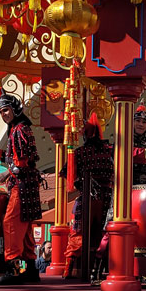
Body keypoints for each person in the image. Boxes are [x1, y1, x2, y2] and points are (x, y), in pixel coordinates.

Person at [0, 92, 41, 285]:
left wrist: (5, 174)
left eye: (6, 110)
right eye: (1, 111)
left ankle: (13, 271)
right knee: (24, 230)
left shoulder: (20, 130)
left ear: (15, 108)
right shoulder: (17, 129)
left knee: (11, 224)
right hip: (26, 185)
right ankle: (31, 270)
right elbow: (13, 156)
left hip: (21, 185)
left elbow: (24, 161)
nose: (4, 114)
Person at [63, 113, 113, 279]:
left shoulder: (79, 152)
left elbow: (65, 172)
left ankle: (68, 269)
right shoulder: (110, 151)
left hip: (87, 196)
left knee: (78, 232)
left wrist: (81, 184)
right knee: (103, 234)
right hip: (107, 196)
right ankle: (98, 272)